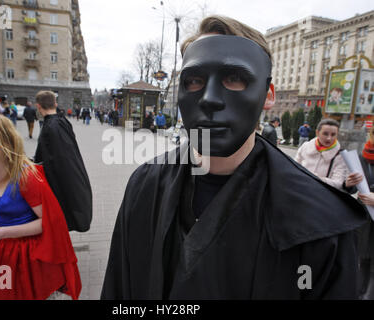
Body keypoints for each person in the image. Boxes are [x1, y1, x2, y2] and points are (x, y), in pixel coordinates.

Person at [101, 15, 367, 300]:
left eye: (235, 78)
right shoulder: (145, 186)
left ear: (268, 94)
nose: (209, 98)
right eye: (194, 81)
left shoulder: (320, 219)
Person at [0, 110, 81, 300]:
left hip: (24, 258)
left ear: (3, 142)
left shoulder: (27, 178)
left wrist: (2, 232)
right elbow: (2, 212)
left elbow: (48, 223)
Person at [34, 90, 92, 232]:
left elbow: (59, 159)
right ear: (55, 103)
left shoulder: (52, 126)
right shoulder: (60, 122)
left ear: (38, 106)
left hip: (59, 182)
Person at [343, 126, 374, 299]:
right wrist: (348, 183)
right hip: (364, 218)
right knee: (361, 261)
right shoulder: (363, 157)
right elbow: (354, 186)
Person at [295, 118, 348, 190]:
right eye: (325, 134)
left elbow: (338, 183)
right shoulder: (305, 147)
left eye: (333, 135)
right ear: (317, 133)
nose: (329, 138)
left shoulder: (340, 155)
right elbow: (294, 168)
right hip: (299, 190)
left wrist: (315, 178)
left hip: (320, 196)